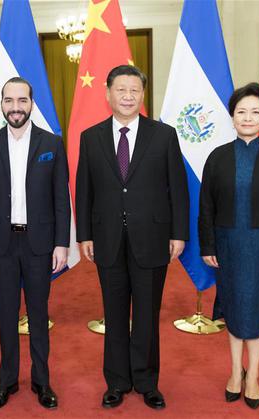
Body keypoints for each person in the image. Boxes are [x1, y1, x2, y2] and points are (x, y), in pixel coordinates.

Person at [76, 65, 189, 410]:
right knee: (113, 314)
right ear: (108, 93)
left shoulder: (163, 135)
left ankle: (146, 381)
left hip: (153, 238)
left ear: (142, 95)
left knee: (146, 315)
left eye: (134, 90)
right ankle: (117, 382)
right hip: (107, 239)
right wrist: (84, 235)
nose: (128, 96)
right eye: (121, 90)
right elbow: (84, 190)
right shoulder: (90, 136)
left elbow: (178, 190)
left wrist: (178, 234)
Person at [199, 82, 259, 409]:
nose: (248, 117)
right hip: (227, 245)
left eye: (255, 111)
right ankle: (234, 372)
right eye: (241, 111)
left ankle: (253, 374)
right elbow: (206, 208)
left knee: (256, 310)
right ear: (232, 116)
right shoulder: (217, 157)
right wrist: (208, 245)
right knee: (233, 307)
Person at [0, 77, 70, 411]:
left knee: (39, 315)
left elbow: (61, 198)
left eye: (22, 100)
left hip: (39, 243)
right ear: (1, 104)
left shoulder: (52, 144)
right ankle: (7, 381)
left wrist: (62, 243)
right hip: (0, 245)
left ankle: (42, 381)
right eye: (9, 100)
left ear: (31, 103)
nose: (16, 107)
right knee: (5, 315)